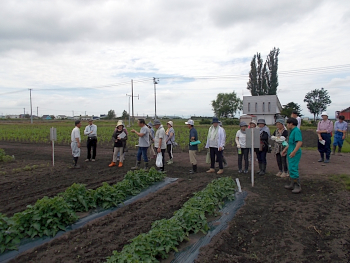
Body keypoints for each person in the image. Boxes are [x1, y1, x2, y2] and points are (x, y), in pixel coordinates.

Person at [282, 118, 303, 194]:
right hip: (291, 151)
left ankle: (297, 185)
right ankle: (292, 183)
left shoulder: (296, 131)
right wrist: (285, 149)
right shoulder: (292, 131)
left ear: (291, 124)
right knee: (290, 168)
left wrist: (294, 151)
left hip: (294, 152)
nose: (287, 125)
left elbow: (299, 142)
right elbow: (291, 143)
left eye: (287, 124)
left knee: (293, 168)